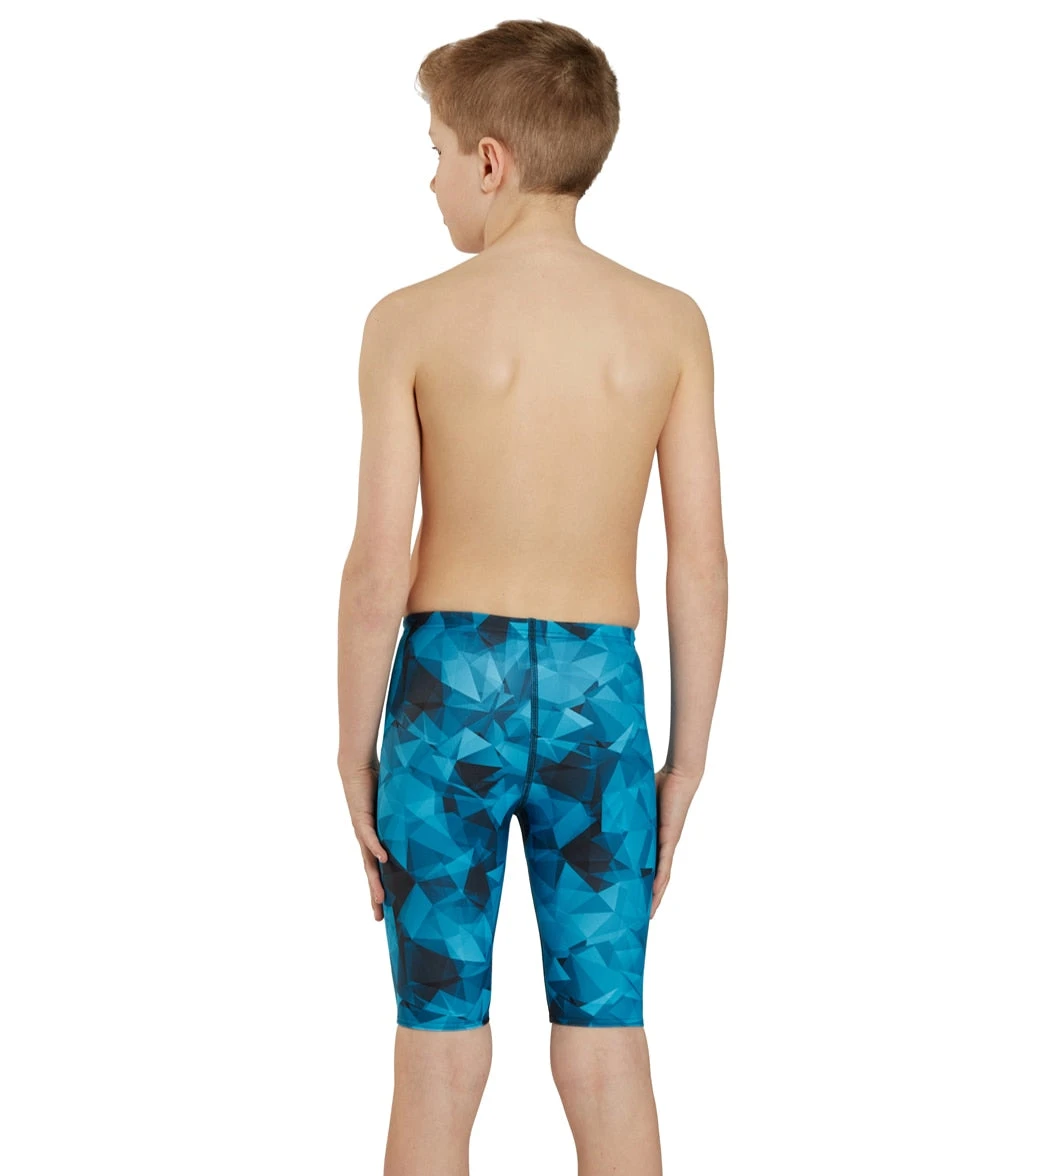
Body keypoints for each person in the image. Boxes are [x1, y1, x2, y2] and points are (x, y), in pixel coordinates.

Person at [336, 17, 727, 1176]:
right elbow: (699, 563)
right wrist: (687, 762)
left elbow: (376, 569)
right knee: (607, 1050)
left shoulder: (409, 320)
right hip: (600, 700)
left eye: (437, 150)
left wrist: (351, 753)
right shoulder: (669, 323)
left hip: (446, 697)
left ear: (492, 161)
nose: (431, 179)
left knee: (437, 1055)